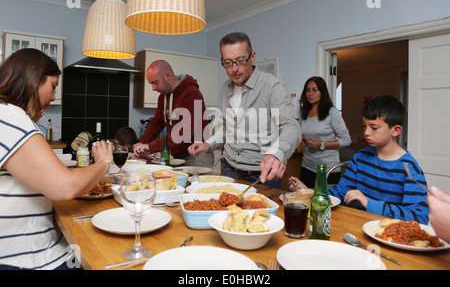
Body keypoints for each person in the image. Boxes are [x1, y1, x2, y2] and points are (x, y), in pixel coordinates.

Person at [0, 49, 113, 270]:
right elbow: (66, 187)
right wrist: (104, 163)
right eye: (52, 86)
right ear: (32, 80)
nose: (53, 96)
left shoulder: (8, 115)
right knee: (105, 255)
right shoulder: (9, 116)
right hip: (29, 260)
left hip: (31, 251)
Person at [188, 32, 301, 189]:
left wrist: (276, 154)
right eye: (228, 63)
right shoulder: (225, 88)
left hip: (260, 176)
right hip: (228, 170)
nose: (234, 69)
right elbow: (227, 126)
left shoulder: (272, 87)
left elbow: (291, 126)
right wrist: (209, 144)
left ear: (252, 57)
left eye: (240, 61)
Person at [292, 95, 429, 224]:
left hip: (391, 233)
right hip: (360, 227)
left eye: (374, 128)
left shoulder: (409, 167)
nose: (366, 132)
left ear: (395, 130)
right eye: (365, 126)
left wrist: (369, 203)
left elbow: (419, 216)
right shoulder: (360, 158)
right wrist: (310, 193)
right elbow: (341, 191)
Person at [133, 60, 213, 167]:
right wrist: (141, 143)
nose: (153, 88)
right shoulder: (163, 97)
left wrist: (150, 147)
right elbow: (156, 123)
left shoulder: (192, 94)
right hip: (178, 155)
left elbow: (185, 133)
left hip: (198, 155)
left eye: (155, 83)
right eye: (151, 84)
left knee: (199, 184)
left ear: (167, 75)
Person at [288, 76, 351, 188]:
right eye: (307, 90)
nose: (310, 93)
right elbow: (301, 132)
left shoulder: (332, 112)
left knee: (326, 202)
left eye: (314, 90)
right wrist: (301, 138)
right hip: (307, 167)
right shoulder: (304, 112)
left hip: (328, 170)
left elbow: (346, 140)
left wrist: (322, 144)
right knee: (305, 200)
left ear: (322, 92)